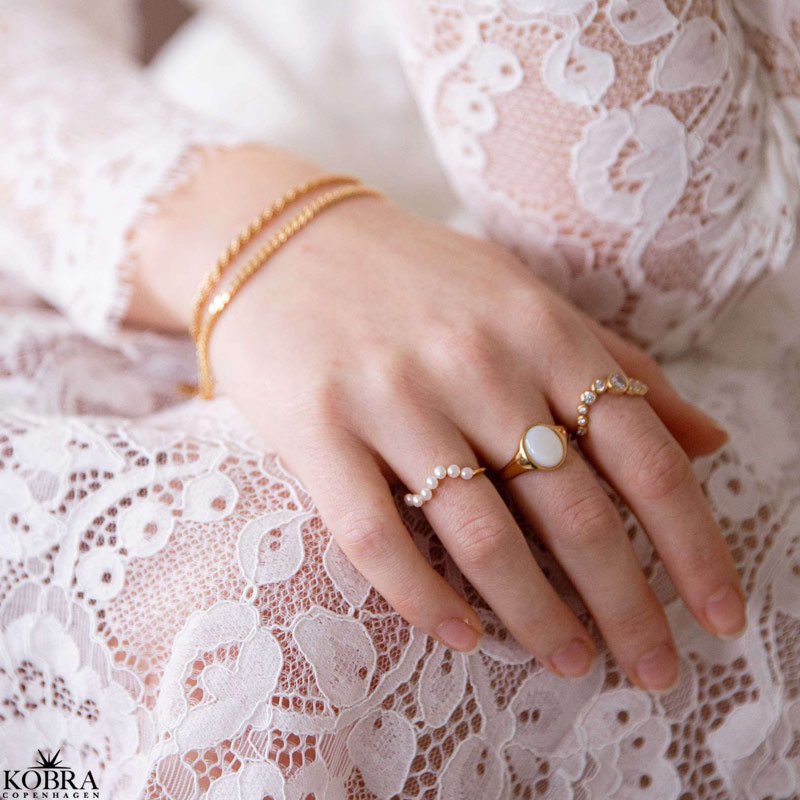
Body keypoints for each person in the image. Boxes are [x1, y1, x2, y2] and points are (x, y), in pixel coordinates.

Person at [0, 1, 798, 798]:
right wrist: (236, 229)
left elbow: (648, 252)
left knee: (286, 599)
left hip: (710, 356)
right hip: (177, 176)